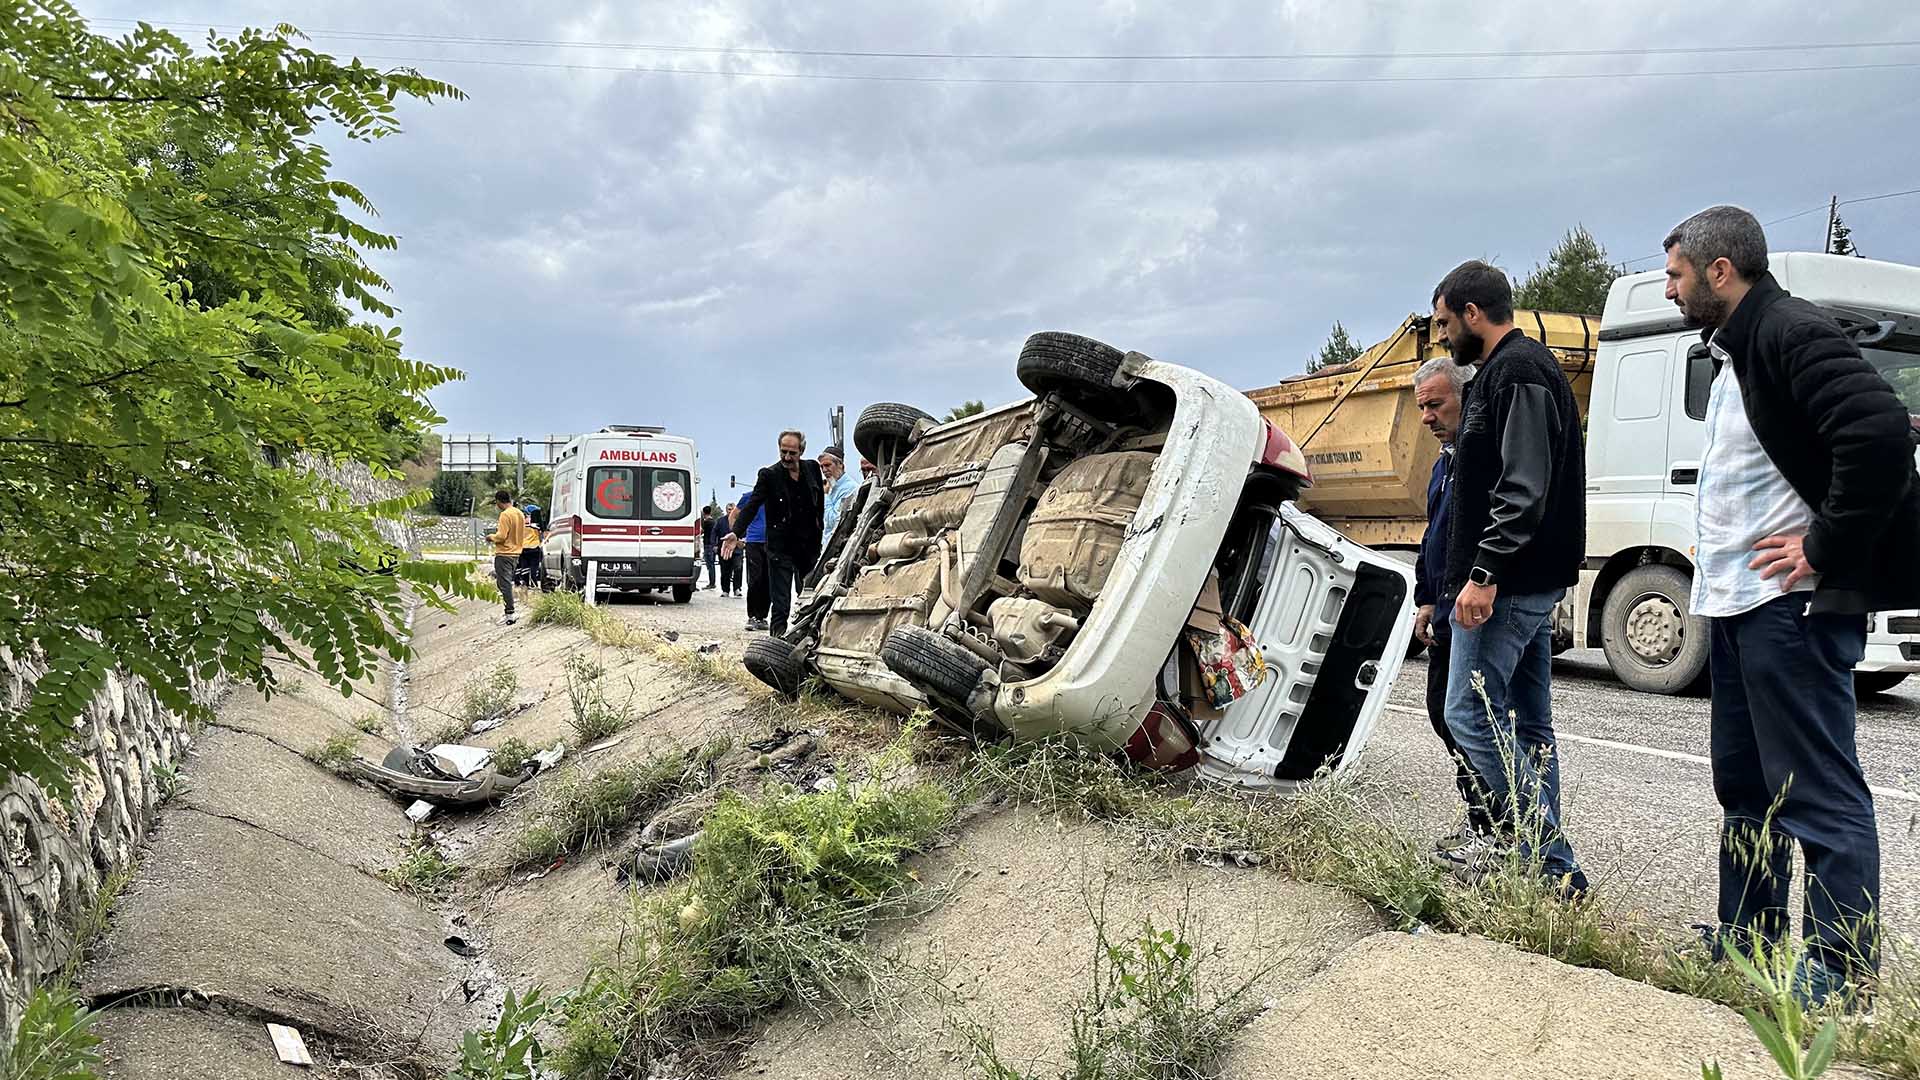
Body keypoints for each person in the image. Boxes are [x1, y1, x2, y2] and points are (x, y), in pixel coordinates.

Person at [1663, 205, 1920, 1001]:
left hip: (1791, 610)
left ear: (1719, 270)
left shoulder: (1787, 328)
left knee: (1816, 790)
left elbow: (1879, 434)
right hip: (1740, 606)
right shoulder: (1738, 349)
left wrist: (1822, 546)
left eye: (1675, 273)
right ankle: (1750, 941)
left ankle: (1840, 973)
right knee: (1746, 787)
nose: (1669, 288)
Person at [1430, 259, 1587, 894]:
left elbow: (1522, 488)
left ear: (1473, 314)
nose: (1442, 336)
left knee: (1467, 714)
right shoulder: (1509, 370)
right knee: (1528, 724)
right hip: (1521, 578)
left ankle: (1552, 864)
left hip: (1509, 583)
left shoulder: (1517, 371)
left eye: (1445, 323)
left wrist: (1484, 573)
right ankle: (1541, 870)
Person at [1410, 357, 1497, 865]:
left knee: (1469, 721)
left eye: (1436, 404)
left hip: (1472, 612)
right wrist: (1425, 598)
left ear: (1467, 399)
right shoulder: (1444, 462)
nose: (1426, 416)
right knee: (1447, 718)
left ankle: (1496, 833)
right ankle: (1479, 824)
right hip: (1443, 610)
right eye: (1422, 407)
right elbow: (1433, 539)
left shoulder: (1478, 460)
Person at [724, 430, 826, 637]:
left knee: (810, 597)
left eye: (792, 453)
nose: (787, 458)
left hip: (808, 548)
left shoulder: (813, 469)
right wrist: (736, 532)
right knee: (780, 603)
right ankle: (777, 644)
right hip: (781, 549)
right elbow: (752, 506)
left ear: (801, 451)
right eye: (783, 452)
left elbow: (819, 505)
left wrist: (820, 530)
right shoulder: (769, 475)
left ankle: (810, 640)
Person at [483, 489, 527, 626]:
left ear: (498, 502)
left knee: (504, 584)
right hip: (516, 553)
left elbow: (501, 536)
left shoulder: (505, 515)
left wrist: (491, 537)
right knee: (505, 582)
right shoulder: (519, 513)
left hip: (504, 554)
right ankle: (510, 609)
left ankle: (510, 613)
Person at [819, 445, 860, 549]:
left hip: (836, 548)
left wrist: (825, 496)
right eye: (822, 466)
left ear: (840, 464)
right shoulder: (832, 485)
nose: (824, 470)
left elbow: (834, 521)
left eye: (828, 465)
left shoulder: (849, 488)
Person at [740, 489, 769, 629]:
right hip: (753, 542)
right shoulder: (748, 497)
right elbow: (734, 516)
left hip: (771, 543)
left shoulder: (774, 495)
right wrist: (737, 536)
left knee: (768, 580)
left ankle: (762, 617)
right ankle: (751, 616)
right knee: (755, 579)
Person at [714, 502, 742, 597]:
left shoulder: (740, 521)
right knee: (725, 570)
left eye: (732, 509)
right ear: (726, 510)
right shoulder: (720, 521)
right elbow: (714, 533)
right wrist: (714, 545)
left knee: (738, 568)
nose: (730, 511)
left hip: (737, 549)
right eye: (729, 509)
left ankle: (737, 589)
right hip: (724, 549)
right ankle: (725, 590)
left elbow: (745, 532)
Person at [518, 503, 547, 591]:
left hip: (523, 549)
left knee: (524, 567)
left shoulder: (520, 523)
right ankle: (534, 584)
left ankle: (525, 584)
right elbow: (543, 533)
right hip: (534, 548)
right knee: (534, 567)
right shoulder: (537, 524)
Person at [699, 506, 718, 590]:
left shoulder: (706, 522)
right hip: (713, 544)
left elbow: (701, 531)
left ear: (704, 513)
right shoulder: (714, 521)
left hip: (708, 545)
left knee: (710, 565)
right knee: (712, 564)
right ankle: (712, 582)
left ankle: (712, 583)